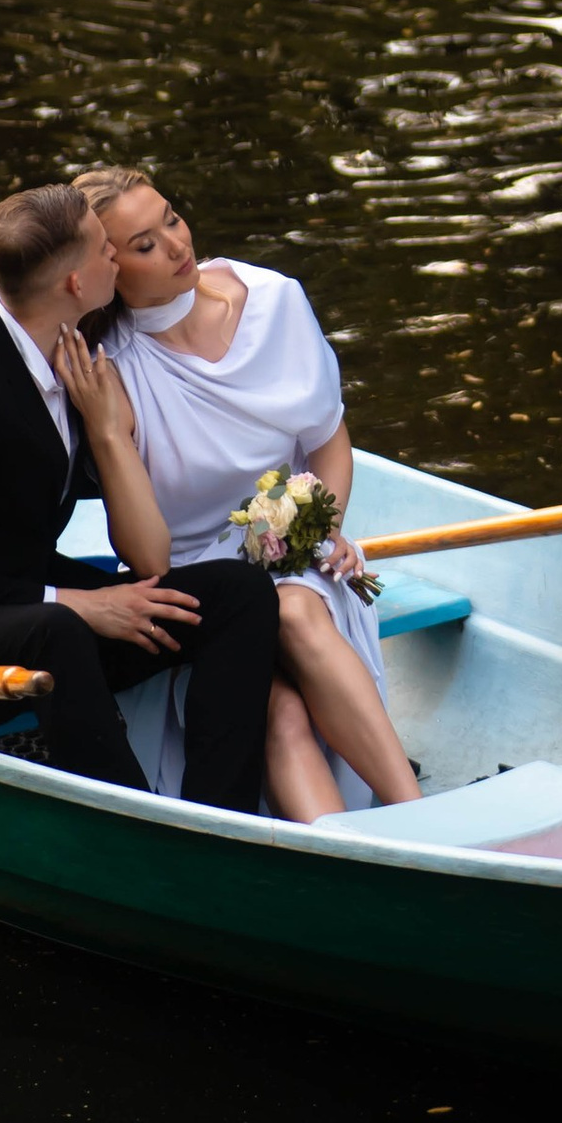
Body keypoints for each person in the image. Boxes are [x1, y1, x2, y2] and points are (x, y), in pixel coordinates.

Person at [0, 181, 281, 808]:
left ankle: (220, 812)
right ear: (75, 282)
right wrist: (76, 602)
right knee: (57, 630)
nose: (118, 261)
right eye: (106, 249)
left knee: (233, 595)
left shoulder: (70, 347)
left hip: (22, 602)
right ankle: (136, 828)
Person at [71, 165, 421, 823]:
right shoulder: (110, 370)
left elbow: (327, 437)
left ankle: (419, 816)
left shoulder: (274, 300)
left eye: (171, 218)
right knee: (277, 710)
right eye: (145, 244)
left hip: (288, 553)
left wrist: (320, 524)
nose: (178, 245)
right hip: (200, 583)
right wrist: (108, 434)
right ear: (108, 271)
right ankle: (359, 860)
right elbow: (149, 561)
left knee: (292, 612)